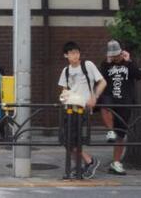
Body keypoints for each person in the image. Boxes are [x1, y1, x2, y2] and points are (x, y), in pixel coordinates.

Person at [58, 40, 106, 179]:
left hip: (82, 109)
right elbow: (65, 88)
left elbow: (102, 82)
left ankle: (90, 161)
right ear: (65, 55)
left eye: (77, 52)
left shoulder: (87, 65)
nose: (75, 55)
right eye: (72, 53)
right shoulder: (66, 70)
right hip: (69, 108)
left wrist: (95, 97)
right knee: (66, 140)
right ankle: (80, 166)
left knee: (74, 140)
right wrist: (63, 95)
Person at [98, 40, 141, 175]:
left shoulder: (129, 64)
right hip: (110, 98)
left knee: (121, 135)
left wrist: (129, 61)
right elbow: (100, 79)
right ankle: (110, 131)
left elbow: (140, 75)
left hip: (125, 101)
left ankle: (116, 163)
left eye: (116, 55)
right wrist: (106, 62)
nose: (115, 58)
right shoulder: (106, 64)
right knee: (105, 105)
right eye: (112, 56)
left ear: (121, 53)